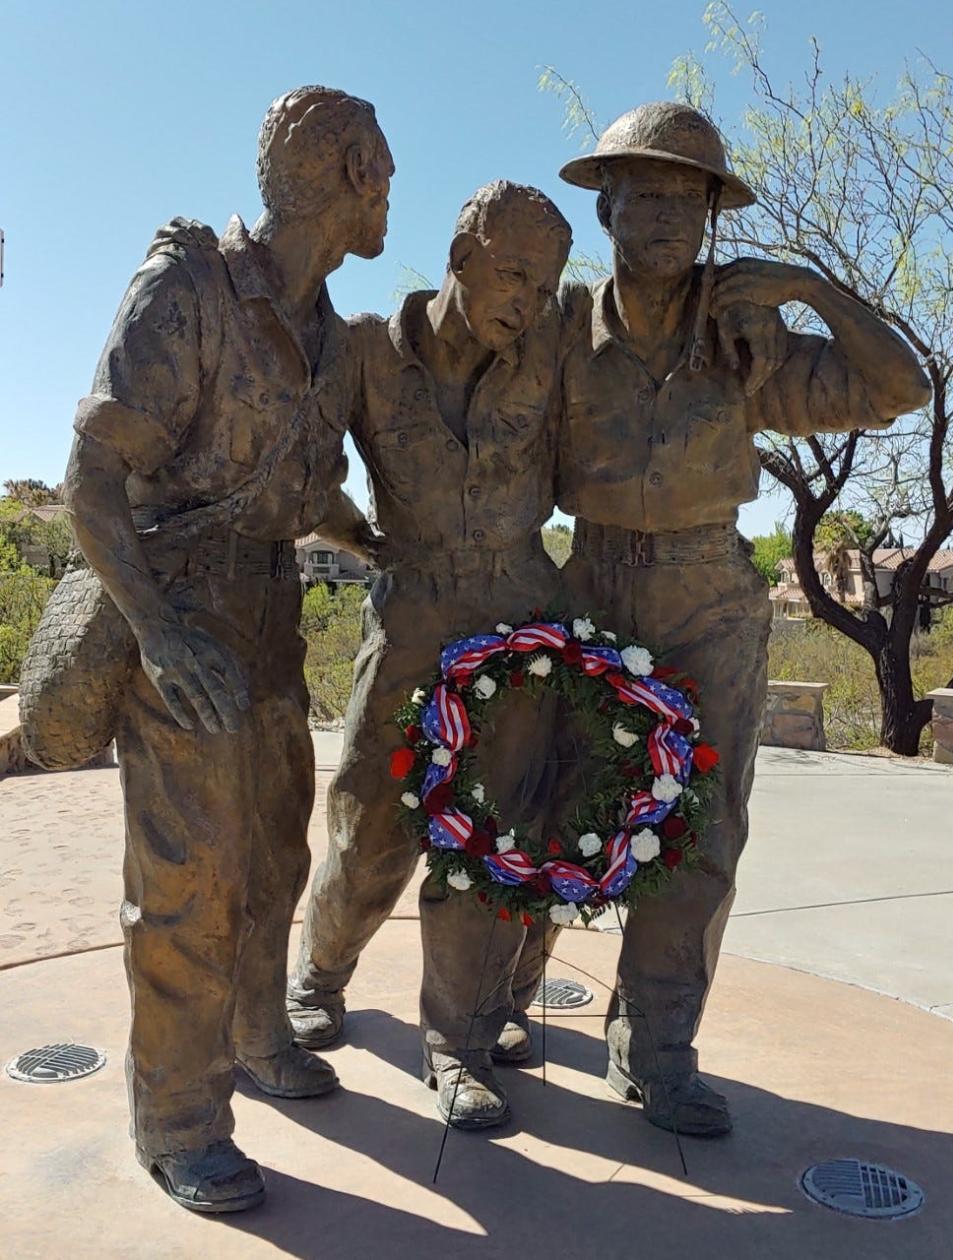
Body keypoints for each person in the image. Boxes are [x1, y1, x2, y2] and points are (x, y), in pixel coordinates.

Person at [555, 102, 931, 1137]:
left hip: (709, 598)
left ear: (712, 217)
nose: (669, 216)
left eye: (690, 197)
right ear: (608, 209)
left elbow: (894, 386)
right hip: (585, 582)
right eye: (649, 193)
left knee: (699, 828)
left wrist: (809, 286)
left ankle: (658, 1045)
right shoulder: (557, 332)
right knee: (549, 799)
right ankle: (498, 1004)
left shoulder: (744, 335)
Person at [61, 86, 393, 1212]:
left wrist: (371, 537)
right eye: (384, 171)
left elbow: (310, 491)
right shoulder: (191, 285)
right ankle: (179, 1117)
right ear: (348, 173)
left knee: (274, 860)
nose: (391, 192)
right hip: (178, 619)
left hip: (270, 620)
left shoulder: (333, 339)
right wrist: (154, 632)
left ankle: (255, 1037)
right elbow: (93, 479)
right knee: (189, 884)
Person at [287, 180, 572, 1128]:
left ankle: (458, 1040)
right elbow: (307, 463)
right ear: (459, 253)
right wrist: (369, 542)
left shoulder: (548, 355)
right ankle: (319, 976)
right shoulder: (370, 348)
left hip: (519, 623)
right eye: (514, 274)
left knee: (489, 838)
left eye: (544, 286)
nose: (525, 302)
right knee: (371, 828)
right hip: (410, 616)